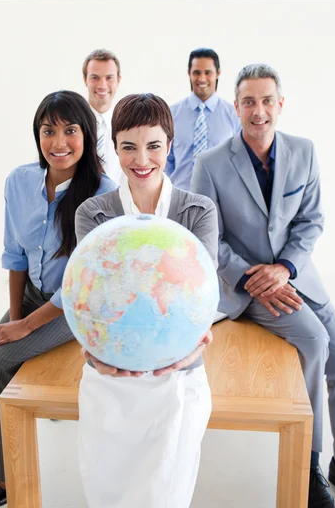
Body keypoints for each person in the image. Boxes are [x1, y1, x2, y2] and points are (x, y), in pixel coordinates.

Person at [191, 63, 335, 508]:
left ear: (280, 105)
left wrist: (284, 267)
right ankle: (309, 466)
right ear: (236, 107)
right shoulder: (209, 164)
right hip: (246, 288)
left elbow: (311, 220)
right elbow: (207, 239)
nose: (258, 110)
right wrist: (255, 277)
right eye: (248, 101)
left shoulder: (303, 151)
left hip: (299, 276)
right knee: (314, 341)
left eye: (267, 100)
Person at [0, 90, 116, 507]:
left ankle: (9, 478)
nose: (59, 142)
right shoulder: (19, 181)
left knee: (2, 362)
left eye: (70, 130)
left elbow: (81, 284)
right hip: (31, 294)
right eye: (49, 131)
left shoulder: (104, 193)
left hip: (75, 306)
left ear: (86, 136)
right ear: (38, 134)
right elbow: (15, 256)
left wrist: (26, 328)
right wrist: (15, 318)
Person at [75, 93, 218, 508]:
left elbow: (203, 294)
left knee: (163, 494)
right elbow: (87, 299)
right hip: (109, 374)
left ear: (170, 145)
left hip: (179, 372)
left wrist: (193, 341)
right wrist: (93, 349)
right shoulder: (94, 214)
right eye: (129, 146)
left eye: (154, 145)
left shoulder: (197, 211)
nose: (142, 158)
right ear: (114, 148)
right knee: (106, 492)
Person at [165, 47, 241, 190]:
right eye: (196, 73)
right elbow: (165, 160)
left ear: (218, 73)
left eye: (208, 73)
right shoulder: (171, 113)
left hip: (220, 199)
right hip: (179, 197)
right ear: (189, 74)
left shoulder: (234, 114)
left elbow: (240, 160)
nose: (201, 78)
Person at [82, 48, 124, 183]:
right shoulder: (70, 123)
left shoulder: (127, 125)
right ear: (85, 80)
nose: (102, 85)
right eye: (95, 77)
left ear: (118, 80)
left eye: (109, 78)